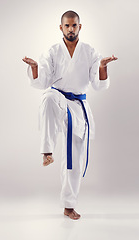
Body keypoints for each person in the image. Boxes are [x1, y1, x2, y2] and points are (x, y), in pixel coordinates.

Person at [22, 10, 118, 220]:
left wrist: (102, 67)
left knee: (74, 158)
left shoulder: (90, 52)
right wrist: (36, 68)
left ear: (79, 27)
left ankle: (68, 205)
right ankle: (46, 151)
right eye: (67, 26)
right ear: (61, 28)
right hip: (59, 100)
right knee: (47, 97)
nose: (71, 29)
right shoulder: (53, 51)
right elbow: (43, 80)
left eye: (74, 25)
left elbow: (98, 84)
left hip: (78, 107)